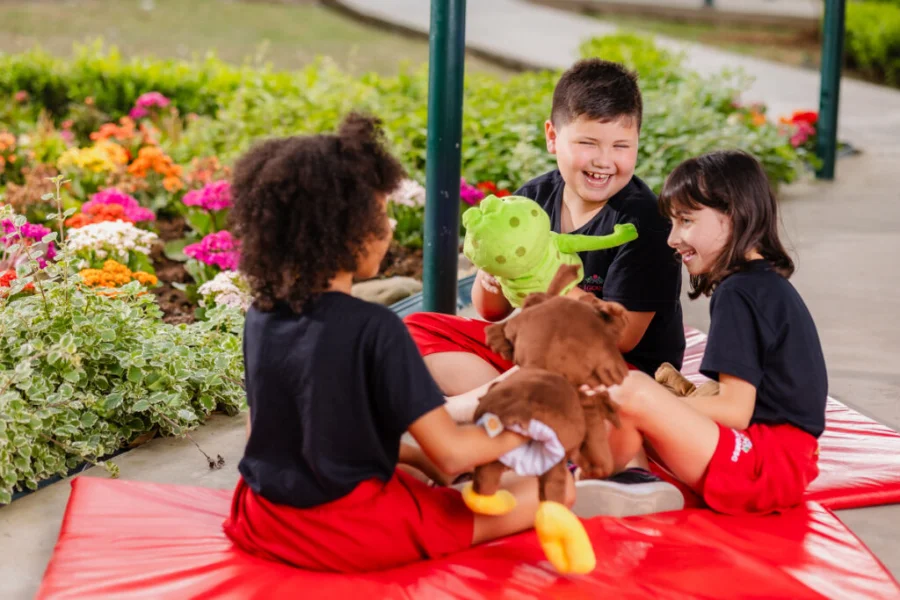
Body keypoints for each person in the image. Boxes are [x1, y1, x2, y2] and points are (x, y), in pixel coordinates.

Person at [222, 113, 574, 573]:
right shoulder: (375, 327)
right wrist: (524, 431)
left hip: (262, 517)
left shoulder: (261, 315)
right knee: (555, 487)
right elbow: (452, 453)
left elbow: (270, 438)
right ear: (344, 231)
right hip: (350, 532)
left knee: (421, 469)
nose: (389, 227)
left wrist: (414, 459)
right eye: (379, 215)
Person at [404, 58, 685, 418]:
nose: (604, 160)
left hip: (618, 372)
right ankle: (515, 406)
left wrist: (544, 272)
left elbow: (622, 337)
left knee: (563, 366)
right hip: (535, 353)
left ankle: (471, 410)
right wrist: (496, 275)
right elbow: (491, 311)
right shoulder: (531, 201)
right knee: (414, 330)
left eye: (621, 146)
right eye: (588, 143)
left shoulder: (646, 222)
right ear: (552, 137)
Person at [576, 149, 827, 517]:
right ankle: (628, 479)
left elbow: (734, 410)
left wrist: (650, 402)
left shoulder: (739, 292)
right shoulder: (760, 284)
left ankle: (595, 477)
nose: (672, 238)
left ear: (734, 214)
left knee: (631, 388)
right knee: (631, 393)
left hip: (763, 464)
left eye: (686, 221)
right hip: (781, 464)